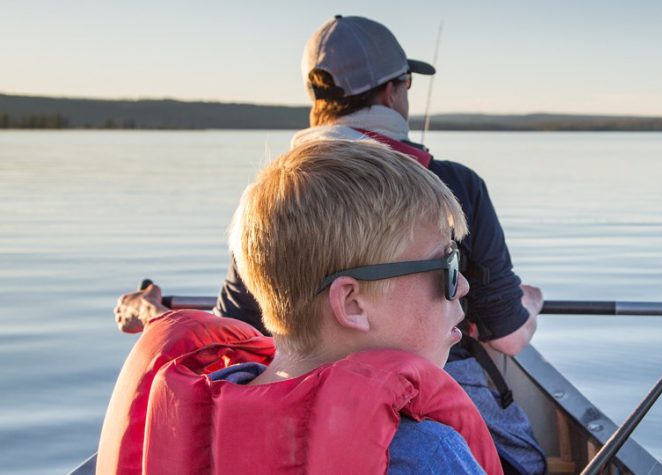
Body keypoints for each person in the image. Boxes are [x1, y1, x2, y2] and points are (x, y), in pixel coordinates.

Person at [211, 15, 546, 474]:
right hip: (437, 389)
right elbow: (508, 336)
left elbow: (233, 328)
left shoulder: (269, 201)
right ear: (393, 92)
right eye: (449, 271)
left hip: (289, 395)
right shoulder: (455, 184)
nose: (461, 287)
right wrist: (528, 304)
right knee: (527, 463)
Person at [102, 140, 502, 474]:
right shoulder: (426, 454)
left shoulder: (185, 419)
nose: (463, 284)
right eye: (447, 265)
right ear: (352, 302)